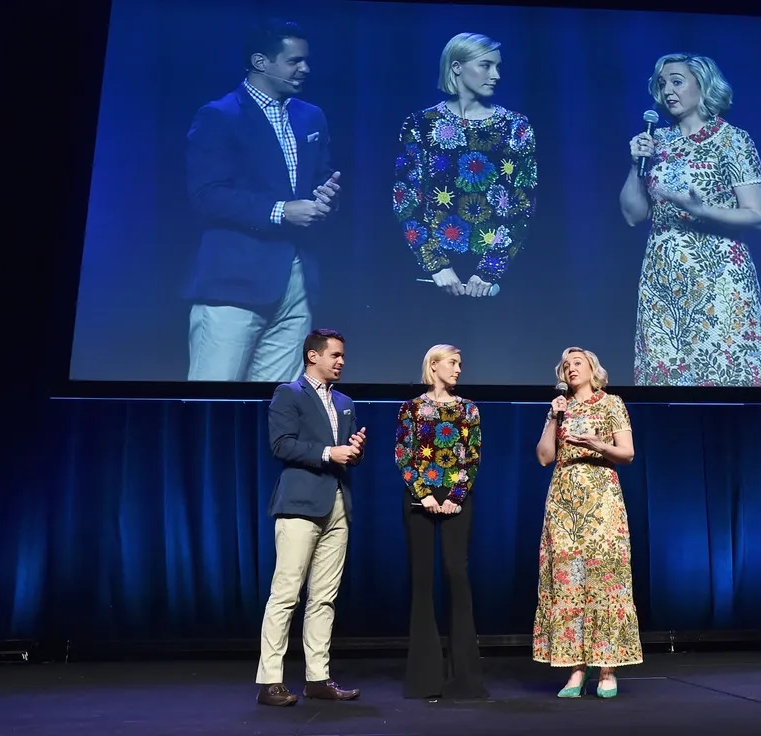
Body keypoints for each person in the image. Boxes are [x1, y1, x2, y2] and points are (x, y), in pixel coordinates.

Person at [184, 18, 342, 383]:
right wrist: (281, 211)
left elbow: (321, 179)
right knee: (213, 400)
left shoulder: (309, 116)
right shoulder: (220, 116)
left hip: (295, 283)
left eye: (306, 60)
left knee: (277, 406)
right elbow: (206, 195)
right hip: (233, 284)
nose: (305, 69)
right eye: (294, 61)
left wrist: (326, 198)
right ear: (260, 62)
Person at [619, 53, 761, 387]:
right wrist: (636, 164)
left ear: (703, 85)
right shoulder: (657, 142)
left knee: (726, 374)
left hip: (719, 279)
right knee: (667, 381)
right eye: (662, 84)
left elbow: (757, 215)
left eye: (677, 81)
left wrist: (699, 208)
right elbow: (634, 215)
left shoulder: (732, 140)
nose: (668, 91)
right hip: (664, 279)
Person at [255, 328, 367, 706]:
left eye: (342, 355)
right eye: (334, 355)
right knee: (286, 594)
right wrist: (328, 453)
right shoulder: (289, 394)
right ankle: (270, 680)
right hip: (300, 504)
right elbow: (281, 444)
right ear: (312, 356)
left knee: (324, 598)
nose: (341, 362)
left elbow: (343, 452)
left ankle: (317, 677)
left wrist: (353, 450)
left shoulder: (345, 401)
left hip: (337, 503)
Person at [533, 347, 642, 698]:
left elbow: (627, 453)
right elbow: (544, 457)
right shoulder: (561, 409)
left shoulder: (611, 404)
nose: (570, 368)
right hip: (564, 503)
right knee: (568, 582)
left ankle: (607, 669)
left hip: (601, 499)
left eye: (577, 363)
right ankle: (575, 670)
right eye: (566, 365)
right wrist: (552, 417)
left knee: (604, 580)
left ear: (593, 369)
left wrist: (598, 444)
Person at [392, 32, 536, 298]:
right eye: (486, 65)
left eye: (498, 66)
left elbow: (522, 203)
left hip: (496, 278)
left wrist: (490, 270)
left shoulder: (515, 126)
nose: (496, 75)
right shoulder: (420, 125)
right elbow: (406, 200)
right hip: (434, 276)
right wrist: (436, 266)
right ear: (456, 67)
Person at [394, 344, 488, 699]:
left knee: (457, 576)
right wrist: (425, 493)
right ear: (433, 366)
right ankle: (424, 677)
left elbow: (473, 458)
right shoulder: (412, 408)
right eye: (453, 363)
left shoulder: (468, 410)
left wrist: (454, 497)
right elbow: (404, 455)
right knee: (422, 581)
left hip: (455, 498)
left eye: (461, 363)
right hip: (421, 498)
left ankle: (465, 676)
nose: (459, 369)